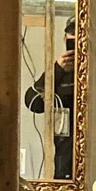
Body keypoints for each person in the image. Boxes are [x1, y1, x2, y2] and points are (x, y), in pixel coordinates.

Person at [25, 19, 77, 178]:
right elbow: (33, 102)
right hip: (64, 158)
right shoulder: (58, 73)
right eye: (72, 35)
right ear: (65, 37)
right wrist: (57, 70)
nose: (76, 39)